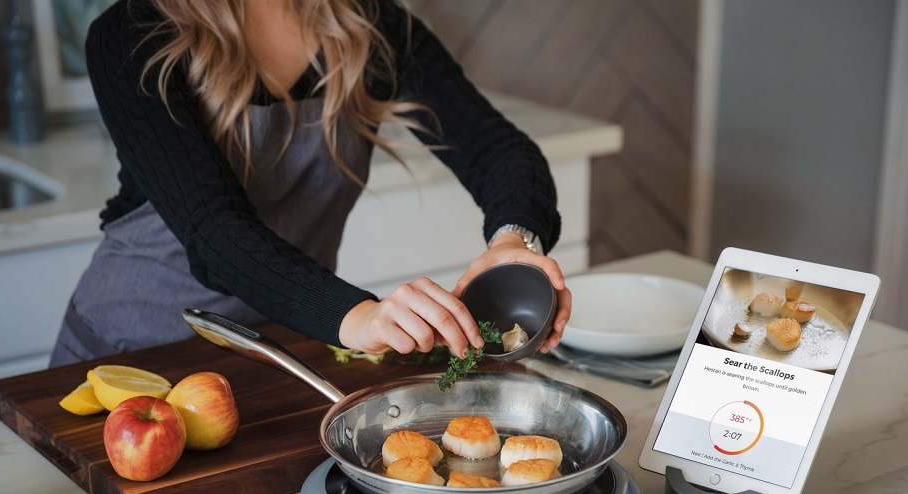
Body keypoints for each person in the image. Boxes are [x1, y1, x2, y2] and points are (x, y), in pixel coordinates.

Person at [49, 0, 572, 367]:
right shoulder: (134, 33)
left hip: (279, 354)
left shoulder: (369, 25)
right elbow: (216, 234)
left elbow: (497, 149)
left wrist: (513, 240)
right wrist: (359, 316)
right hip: (128, 359)